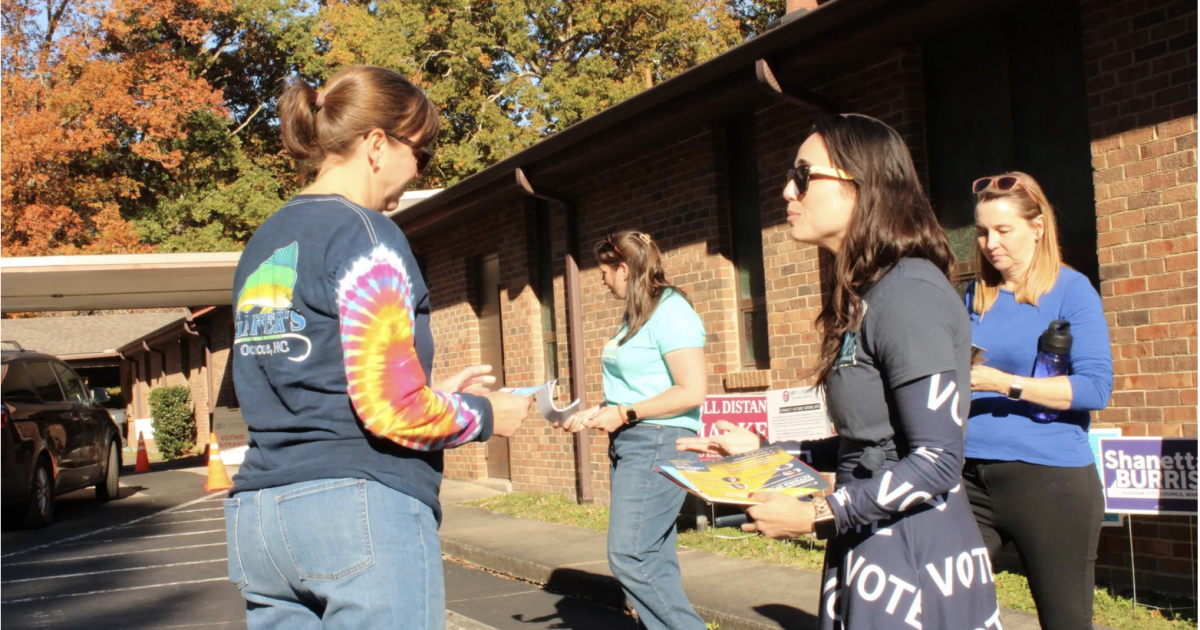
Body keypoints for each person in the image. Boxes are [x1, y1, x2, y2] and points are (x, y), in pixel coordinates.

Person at [224, 65, 530, 629]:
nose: (418, 169)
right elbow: (393, 411)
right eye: (423, 152)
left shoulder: (265, 241)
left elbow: (298, 374)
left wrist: (430, 387)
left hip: (260, 520)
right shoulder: (367, 236)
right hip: (356, 512)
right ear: (375, 145)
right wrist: (489, 414)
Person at [678, 114, 1001, 629]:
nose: (788, 190)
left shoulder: (909, 292)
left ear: (861, 184)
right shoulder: (868, 294)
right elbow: (868, 443)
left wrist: (816, 513)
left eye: (804, 175)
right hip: (870, 541)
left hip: (913, 560)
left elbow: (938, 460)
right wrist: (765, 454)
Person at [964, 172, 1113, 630]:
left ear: (1038, 226)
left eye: (1003, 230)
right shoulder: (972, 295)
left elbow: (1094, 389)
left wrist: (1002, 383)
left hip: (1049, 480)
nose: (991, 243)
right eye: (984, 232)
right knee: (946, 608)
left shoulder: (1071, 289)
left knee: (1065, 620)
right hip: (968, 478)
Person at [560, 230, 709, 630]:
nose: (602, 280)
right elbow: (639, 388)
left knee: (629, 555)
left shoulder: (672, 311)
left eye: (604, 272)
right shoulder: (637, 314)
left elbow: (692, 390)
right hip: (633, 442)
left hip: (658, 443)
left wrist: (625, 413)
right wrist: (600, 412)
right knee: (653, 556)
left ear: (623, 269)